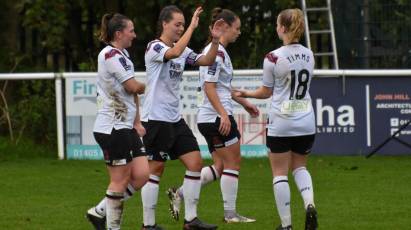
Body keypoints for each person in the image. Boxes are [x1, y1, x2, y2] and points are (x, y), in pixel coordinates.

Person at [166, 7, 259, 224]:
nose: (239, 32)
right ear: (225, 27)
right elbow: (209, 87)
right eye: (237, 28)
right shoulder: (215, 52)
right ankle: (230, 214)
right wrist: (224, 115)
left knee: (220, 167)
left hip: (210, 117)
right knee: (234, 162)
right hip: (215, 118)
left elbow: (222, 87)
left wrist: (244, 103)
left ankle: (179, 194)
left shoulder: (219, 52)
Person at [140, 5, 225, 230]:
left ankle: (191, 220)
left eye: (183, 25)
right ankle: (148, 225)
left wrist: (215, 41)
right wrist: (193, 27)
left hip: (174, 119)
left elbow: (206, 60)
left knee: (195, 162)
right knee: (155, 169)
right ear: (164, 24)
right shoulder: (154, 47)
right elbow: (175, 53)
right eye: (177, 24)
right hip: (155, 119)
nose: (180, 28)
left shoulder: (183, 50)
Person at [234, 8, 318, 230]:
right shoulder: (310, 55)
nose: (276, 28)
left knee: (279, 173)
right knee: (300, 168)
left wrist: (246, 93)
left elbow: (266, 92)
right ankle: (309, 204)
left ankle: (286, 225)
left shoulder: (273, 57)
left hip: (282, 121)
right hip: (306, 119)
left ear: (283, 27)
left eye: (277, 24)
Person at [85, 13, 150, 230]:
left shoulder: (124, 54)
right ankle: (113, 227)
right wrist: (152, 85)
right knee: (120, 181)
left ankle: (99, 211)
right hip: (112, 127)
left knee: (141, 175)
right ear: (119, 33)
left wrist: (137, 121)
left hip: (126, 126)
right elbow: (132, 87)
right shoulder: (110, 55)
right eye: (131, 30)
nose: (134, 35)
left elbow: (131, 95)